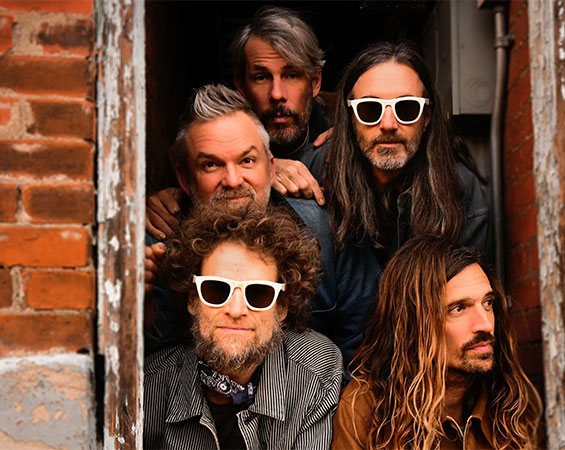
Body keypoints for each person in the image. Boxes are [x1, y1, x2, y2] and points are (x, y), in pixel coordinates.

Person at [145, 84, 378, 366]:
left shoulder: (330, 233)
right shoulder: (157, 252)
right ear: (184, 178)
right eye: (211, 165)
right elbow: (158, 367)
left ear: (270, 167)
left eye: (247, 160)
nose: (232, 180)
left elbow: (366, 349)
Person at [144, 203, 343, 449]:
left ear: (281, 307)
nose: (236, 310)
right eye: (216, 290)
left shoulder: (315, 370)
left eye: (258, 293)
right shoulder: (147, 389)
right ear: (194, 299)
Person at [332, 236, 542, 449]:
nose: (485, 324)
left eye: (487, 303)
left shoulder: (510, 401)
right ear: (415, 324)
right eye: (458, 308)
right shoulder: (366, 409)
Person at [147, 6, 330, 238]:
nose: (276, 94)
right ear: (241, 87)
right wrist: (151, 205)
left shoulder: (336, 146)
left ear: (315, 83)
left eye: (291, 75)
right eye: (261, 77)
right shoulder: (198, 143)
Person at [302, 42, 490, 265]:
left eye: (407, 108)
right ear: (351, 117)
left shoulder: (460, 190)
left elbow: (467, 291)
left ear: (426, 118)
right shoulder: (310, 172)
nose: (388, 124)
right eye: (370, 109)